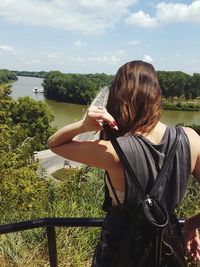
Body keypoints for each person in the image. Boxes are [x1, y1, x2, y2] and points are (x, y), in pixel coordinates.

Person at [47, 60, 200, 265]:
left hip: (121, 249)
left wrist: (83, 125)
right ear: (156, 94)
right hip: (168, 247)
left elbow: (55, 144)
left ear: (118, 97)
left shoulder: (114, 150)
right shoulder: (191, 139)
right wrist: (192, 223)